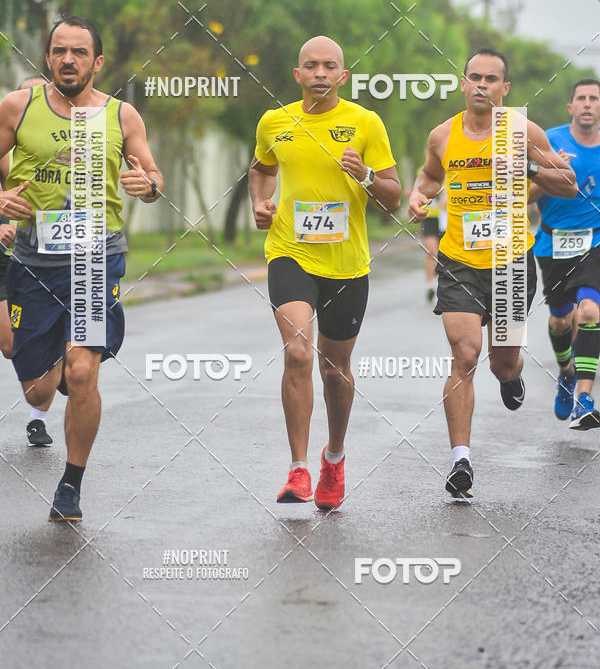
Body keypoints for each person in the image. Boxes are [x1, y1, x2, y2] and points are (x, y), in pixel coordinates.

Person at [0, 16, 163, 521]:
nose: (68, 59)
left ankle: (70, 484)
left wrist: (149, 185)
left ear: (98, 62)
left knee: (83, 371)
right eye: (59, 51)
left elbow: (151, 174)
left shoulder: (121, 115)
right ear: (48, 58)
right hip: (32, 260)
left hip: (97, 256)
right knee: (35, 386)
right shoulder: (17, 108)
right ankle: (57, 373)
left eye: (79, 51)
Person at [408, 48, 577, 497]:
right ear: (463, 84)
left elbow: (568, 183)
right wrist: (417, 197)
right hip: (459, 260)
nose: (481, 85)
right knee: (465, 354)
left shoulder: (522, 131)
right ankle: (460, 461)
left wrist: (531, 167)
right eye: (474, 77)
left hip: (510, 263)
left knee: (502, 360)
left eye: (491, 78)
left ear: (505, 89)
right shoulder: (442, 135)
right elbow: (427, 177)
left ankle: (511, 373)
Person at [249, 35, 401, 510]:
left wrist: (367, 177)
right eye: (310, 65)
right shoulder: (276, 122)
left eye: (328, 65)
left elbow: (393, 196)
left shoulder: (364, 122)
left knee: (335, 370)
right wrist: (260, 201)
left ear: (343, 75)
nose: (319, 72)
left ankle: (333, 458)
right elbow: (261, 166)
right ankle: (298, 469)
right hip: (289, 251)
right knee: (297, 353)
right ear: (297, 75)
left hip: (347, 264)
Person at [530, 78, 600, 429]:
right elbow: (523, 196)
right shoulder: (548, 140)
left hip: (595, 242)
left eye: (594, 98)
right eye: (581, 98)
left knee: (589, 310)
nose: (587, 104)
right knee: (560, 319)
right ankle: (566, 372)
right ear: (571, 107)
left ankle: (585, 400)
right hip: (552, 242)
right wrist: (549, 170)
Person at [0, 77, 56, 446]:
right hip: (4, 256)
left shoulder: (63, 147)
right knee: (8, 343)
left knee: (29, 342)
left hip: (42, 258)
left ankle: (37, 417)